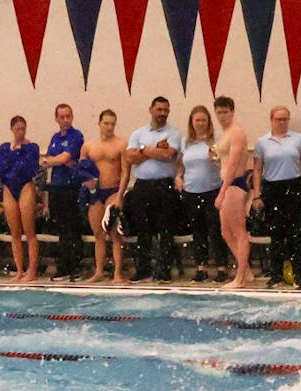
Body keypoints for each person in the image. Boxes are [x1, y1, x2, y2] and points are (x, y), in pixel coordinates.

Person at [252, 106, 301, 289]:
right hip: (272, 189)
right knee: (276, 234)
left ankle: (297, 275)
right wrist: (257, 195)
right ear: (271, 120)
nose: (282, 123)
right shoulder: (263, 142)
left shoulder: (298, 139)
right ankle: (276, 274)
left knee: (295, 233)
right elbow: (257, 170)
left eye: (285, 119)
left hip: (293, 187)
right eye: (279, 119)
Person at [123, 96, 183, 283]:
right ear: (151, 110)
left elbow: (167, 155)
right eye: (159, 110)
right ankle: (143, 270)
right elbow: (130, 158)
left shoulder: (174, 133)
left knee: (166, 229)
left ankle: (164, 270)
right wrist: (152, 150)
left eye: (166, 110)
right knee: (143, 229)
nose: (162, 113)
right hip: (142, 186)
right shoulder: (138, 133)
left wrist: (142, 150)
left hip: (165, 186)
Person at [176, 105, 227, 282]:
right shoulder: (186, 142)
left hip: (212, 190)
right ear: (192, 122)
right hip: (191, 192)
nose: (200, 123)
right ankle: (201, 267)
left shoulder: (215, 139)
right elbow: (181, 164)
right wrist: (178, 177)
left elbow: (223, 161)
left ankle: (221, 267)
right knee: (198, 232)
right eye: (197, 120)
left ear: (208, 122)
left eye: (203, 120)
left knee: (215, 231)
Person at [80, 109, 126, 283]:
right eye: (106, 123)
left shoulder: (121, 144)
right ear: (99, 124)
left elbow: (125, 173)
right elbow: (81, 170)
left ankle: (117, 274)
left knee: (115, 234)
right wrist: (87, 182)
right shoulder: (89, 146)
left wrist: (121, 195)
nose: (109, 127)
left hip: (113, 191)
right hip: (95, 193)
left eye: (112, 124)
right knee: (98, 233)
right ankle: (99, 271)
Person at [212, 96, 253, 289]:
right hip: (227, 184)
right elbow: (224, 159)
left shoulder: (237, 133)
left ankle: (240, 278)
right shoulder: (225, 133)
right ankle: (246, 270)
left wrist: (222, 191)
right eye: (219, 112)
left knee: (238, 232)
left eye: (225, 112)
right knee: (225, 231)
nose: (222, 116)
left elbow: (234, 164)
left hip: (234, 185)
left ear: (232, 112)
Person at [40, 103, 85, 281]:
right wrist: (59, 160)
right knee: (60, 228)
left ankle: (75, 267)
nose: (65, 120)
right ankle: (63, 267)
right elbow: (54, 159)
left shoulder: (77, 135)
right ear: (56, 118)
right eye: (62, 117)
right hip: (56, 186)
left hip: (71, 187)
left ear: (72, 117)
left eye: (68, 116)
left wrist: (57, 160)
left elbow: (65, 158)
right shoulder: (55, 137)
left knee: (72, 228)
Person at [0, 115, 41, 283]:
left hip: (25, 187)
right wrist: (16, 160)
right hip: (9, 188)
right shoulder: (3, 148)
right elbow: (0, 169)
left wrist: (17, 156)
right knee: (15, 232)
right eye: (17, 129)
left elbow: (31, 168)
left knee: (29, 231)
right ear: (12, 129)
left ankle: (32, 270)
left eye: (23, 128)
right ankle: (19, 270)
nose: (21, 132)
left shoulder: (32, 147)